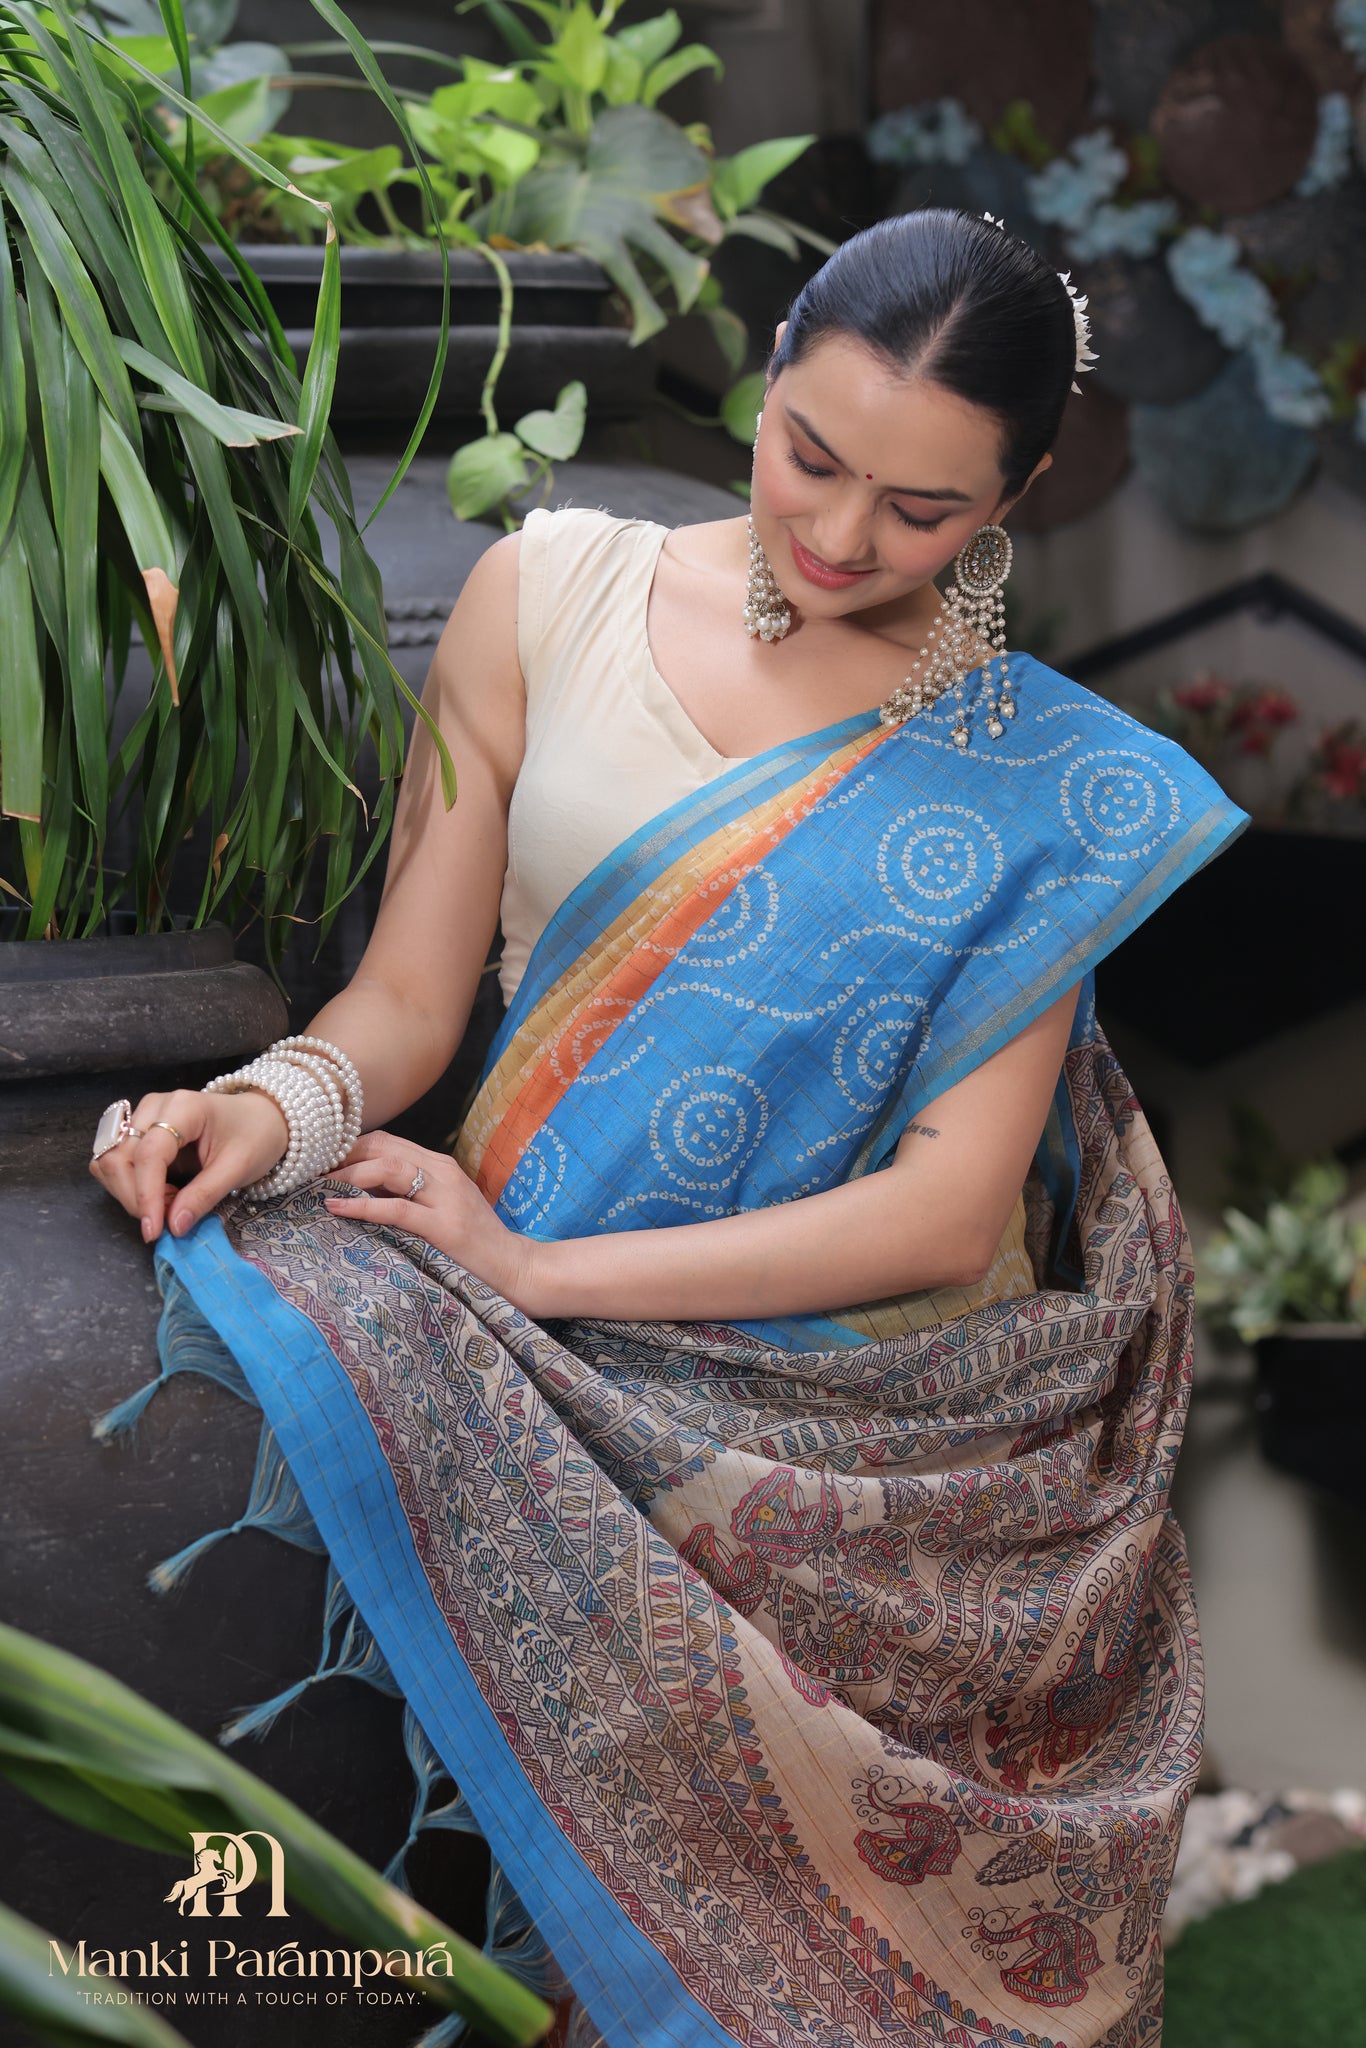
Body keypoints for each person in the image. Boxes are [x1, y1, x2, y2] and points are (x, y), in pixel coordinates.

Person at [90, 210, 1250, 2048]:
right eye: (812, 455)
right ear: (771, 365)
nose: (844, 537)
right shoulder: (543, 593)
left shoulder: (1042, 782)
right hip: (546, 1350)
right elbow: (405, 999)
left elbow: (952, 1213)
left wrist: (534, 1264)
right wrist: (266, 1105)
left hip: (867, 1424)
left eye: (926, 513)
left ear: (1019, 493)